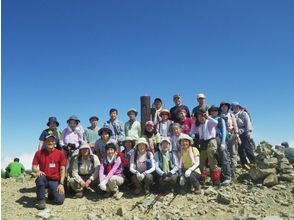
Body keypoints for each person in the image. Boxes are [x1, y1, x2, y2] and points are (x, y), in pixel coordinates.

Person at [32, 134, 66, 210]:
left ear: (55, 142)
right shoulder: (39, 153)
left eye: (52, 141)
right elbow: (33, 167)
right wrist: (38, 170)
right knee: (40, 178)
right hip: (44, 178)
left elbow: (62, 169)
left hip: (54, 180)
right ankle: (41, 200)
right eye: (48, 141)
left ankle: (51, 193)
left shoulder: (60, 153)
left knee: (59, 200)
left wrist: (61, 183)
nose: (50, 142)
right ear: (45, 142)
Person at [195, 109, 221, 186]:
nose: (200, 118)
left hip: (211, 141)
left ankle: (216, 181)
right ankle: (203, 179)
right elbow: (193, 131)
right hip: (203, 143)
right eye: (199, 117)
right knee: (201, 162)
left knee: (213, 161)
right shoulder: (199, 125)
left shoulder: (209, 122)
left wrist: (208, 117)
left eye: (202, 116)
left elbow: (216, 122)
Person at [209, 105, 232, 186]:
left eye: (215, 110)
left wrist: (223, 142)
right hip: (211, 140)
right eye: (212, 110)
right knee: (214, 159)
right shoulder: (208, 119)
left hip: (219, 139)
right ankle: (216, 178)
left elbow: (224, 131)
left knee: (224, 158)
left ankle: (227, 177)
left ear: (218, 112)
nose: (213, 112)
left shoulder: (220, 119)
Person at [231, 102, 256, 169]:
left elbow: (248, 122)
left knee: (247, 147)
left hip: (244, 132)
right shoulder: (232, 115)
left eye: (236, 106)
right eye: (233, 107)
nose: (235, 108)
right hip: (236, 133)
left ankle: (253, 162)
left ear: (239, 107)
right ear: (232, 108)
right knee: (240, 149)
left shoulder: (243, 113)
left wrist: (248, 132)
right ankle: (244, 163)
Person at [219, 101, 240, 177]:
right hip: (222, 137)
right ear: (221, 108)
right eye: (223, 106)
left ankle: (233, 171)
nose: (224, 107)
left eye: (226, 106)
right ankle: (227, 171)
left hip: (232, 135)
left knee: (233, 154)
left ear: (228, 107)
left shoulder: (231, 115)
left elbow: (235, 125)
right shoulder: (219, 116)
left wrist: (237, 134)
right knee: (225, 155)